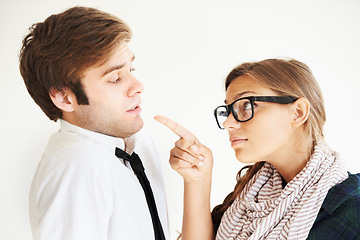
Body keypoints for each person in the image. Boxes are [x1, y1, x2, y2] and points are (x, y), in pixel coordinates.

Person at [155, 58, 360, 239]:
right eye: (228, 110)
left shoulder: (351, 209)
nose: (228, 123)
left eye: (246, 105)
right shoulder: (252, 196)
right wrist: (197, 179)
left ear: (297, 112)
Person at [19, 6, 169, 240]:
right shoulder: (77, 163)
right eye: (115, 78)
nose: (138, 86)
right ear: (65, 97)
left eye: (132, 69)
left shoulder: (137, 142)